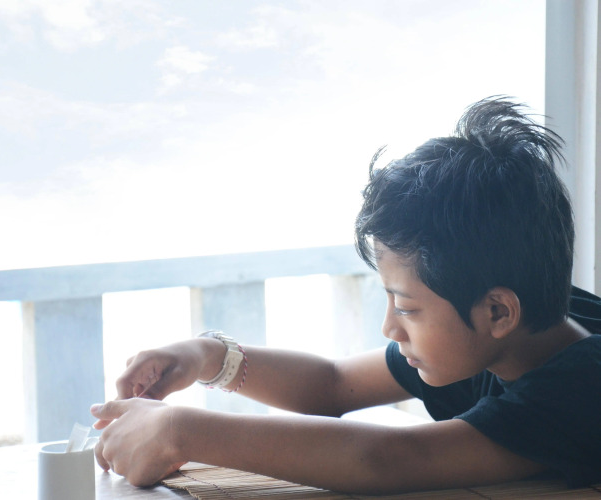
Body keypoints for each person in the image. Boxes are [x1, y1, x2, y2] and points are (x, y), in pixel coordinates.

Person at [90, 97, 601, 494]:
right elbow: (333, 385)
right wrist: (206, 356)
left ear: (497, 311)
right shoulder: (521, 327)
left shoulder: (583, 388)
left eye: (407, 308)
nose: (390, 327)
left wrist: (180, 430)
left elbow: (388, 459)